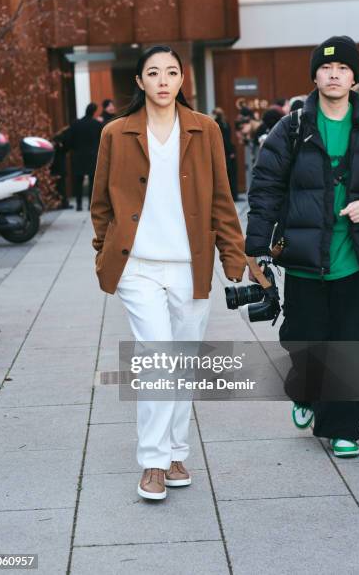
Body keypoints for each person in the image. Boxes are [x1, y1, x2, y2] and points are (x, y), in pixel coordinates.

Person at [90, 45, 246, 500]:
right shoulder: (116, 134)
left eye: (171, 72)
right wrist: (107, 250)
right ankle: (154, 461)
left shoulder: (206, 130)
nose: (162, 80)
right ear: (139, 82)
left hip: (189, 267)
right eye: (153, 72)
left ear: (182, 80)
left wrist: (232, 257)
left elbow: (222, 196)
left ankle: (177, 451)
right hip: (137, 267)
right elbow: (100, 202)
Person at [245, 36, 359, 458]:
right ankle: (306, 393)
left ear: (354, 78)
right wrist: (256, 248)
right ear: (315, 75)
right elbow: (265, 188)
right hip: (302, 258)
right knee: (305, 338)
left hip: (356, 260)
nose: (334, 75)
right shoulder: (292, 127)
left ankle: (344, 429)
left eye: (343, 69)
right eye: (326, 68)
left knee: (354, 342)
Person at [67, 102, 103, 211]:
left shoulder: (76, 123)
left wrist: (74, 149)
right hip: (93, 155)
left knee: (78, 181)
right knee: (93, 181)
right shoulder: (97, 124)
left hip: (78, 155)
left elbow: (70, 140)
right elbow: (101, 140)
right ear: (94, 112)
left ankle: (78, 204)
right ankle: (90, 205)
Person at [212, 106, 238, 200]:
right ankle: (234, 195)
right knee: (231, 174)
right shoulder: (225, 123)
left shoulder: (216, 124)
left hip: (225, 151)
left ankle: (231, 196)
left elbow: (224, 139)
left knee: (226, 174)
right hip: (228, 150)